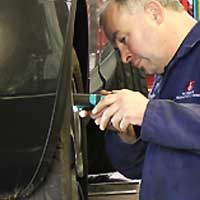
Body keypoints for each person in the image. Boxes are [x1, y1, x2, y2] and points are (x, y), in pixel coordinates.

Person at [80, 0, 200, 199]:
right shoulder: (166, 74)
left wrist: (147, 113)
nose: (124, 57)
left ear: (154, 13)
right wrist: (128, 136)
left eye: (124, 40)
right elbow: (139, 169)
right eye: (117, 50)